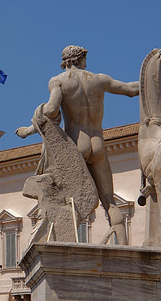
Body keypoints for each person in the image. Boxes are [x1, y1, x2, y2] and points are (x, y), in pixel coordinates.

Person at [16, 45, 139, 244]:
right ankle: (124, 248)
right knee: (109, 201)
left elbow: (51, 109)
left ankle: (62, 243)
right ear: (81, 60)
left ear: (65, 61)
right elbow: (131, 89)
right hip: (98, 143)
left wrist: (31, 126)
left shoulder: (59, 82)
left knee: (65, 200)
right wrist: (157, 81)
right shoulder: (99, 79)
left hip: (75, 145)